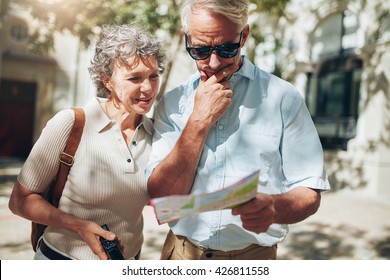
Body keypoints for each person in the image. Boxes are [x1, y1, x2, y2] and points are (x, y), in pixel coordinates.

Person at [146, 0, 330, 260]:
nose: (212, 62)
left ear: (244, 35)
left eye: (226, 48)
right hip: (182, 254)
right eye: (200, 49)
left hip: (253, 258)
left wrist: (275, 208)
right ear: (187, 38)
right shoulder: (172, 102)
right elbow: (162, 198)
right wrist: (198, 121)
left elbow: (309, 192)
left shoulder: (283, 98)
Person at [8, 24, 165, 260]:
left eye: (153, 75)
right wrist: (78, 225)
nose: (148, 87)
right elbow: (20, 201)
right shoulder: (71, 123)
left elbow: (164, 201)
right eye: (135, 78)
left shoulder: (157, 134)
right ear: (107, 80)